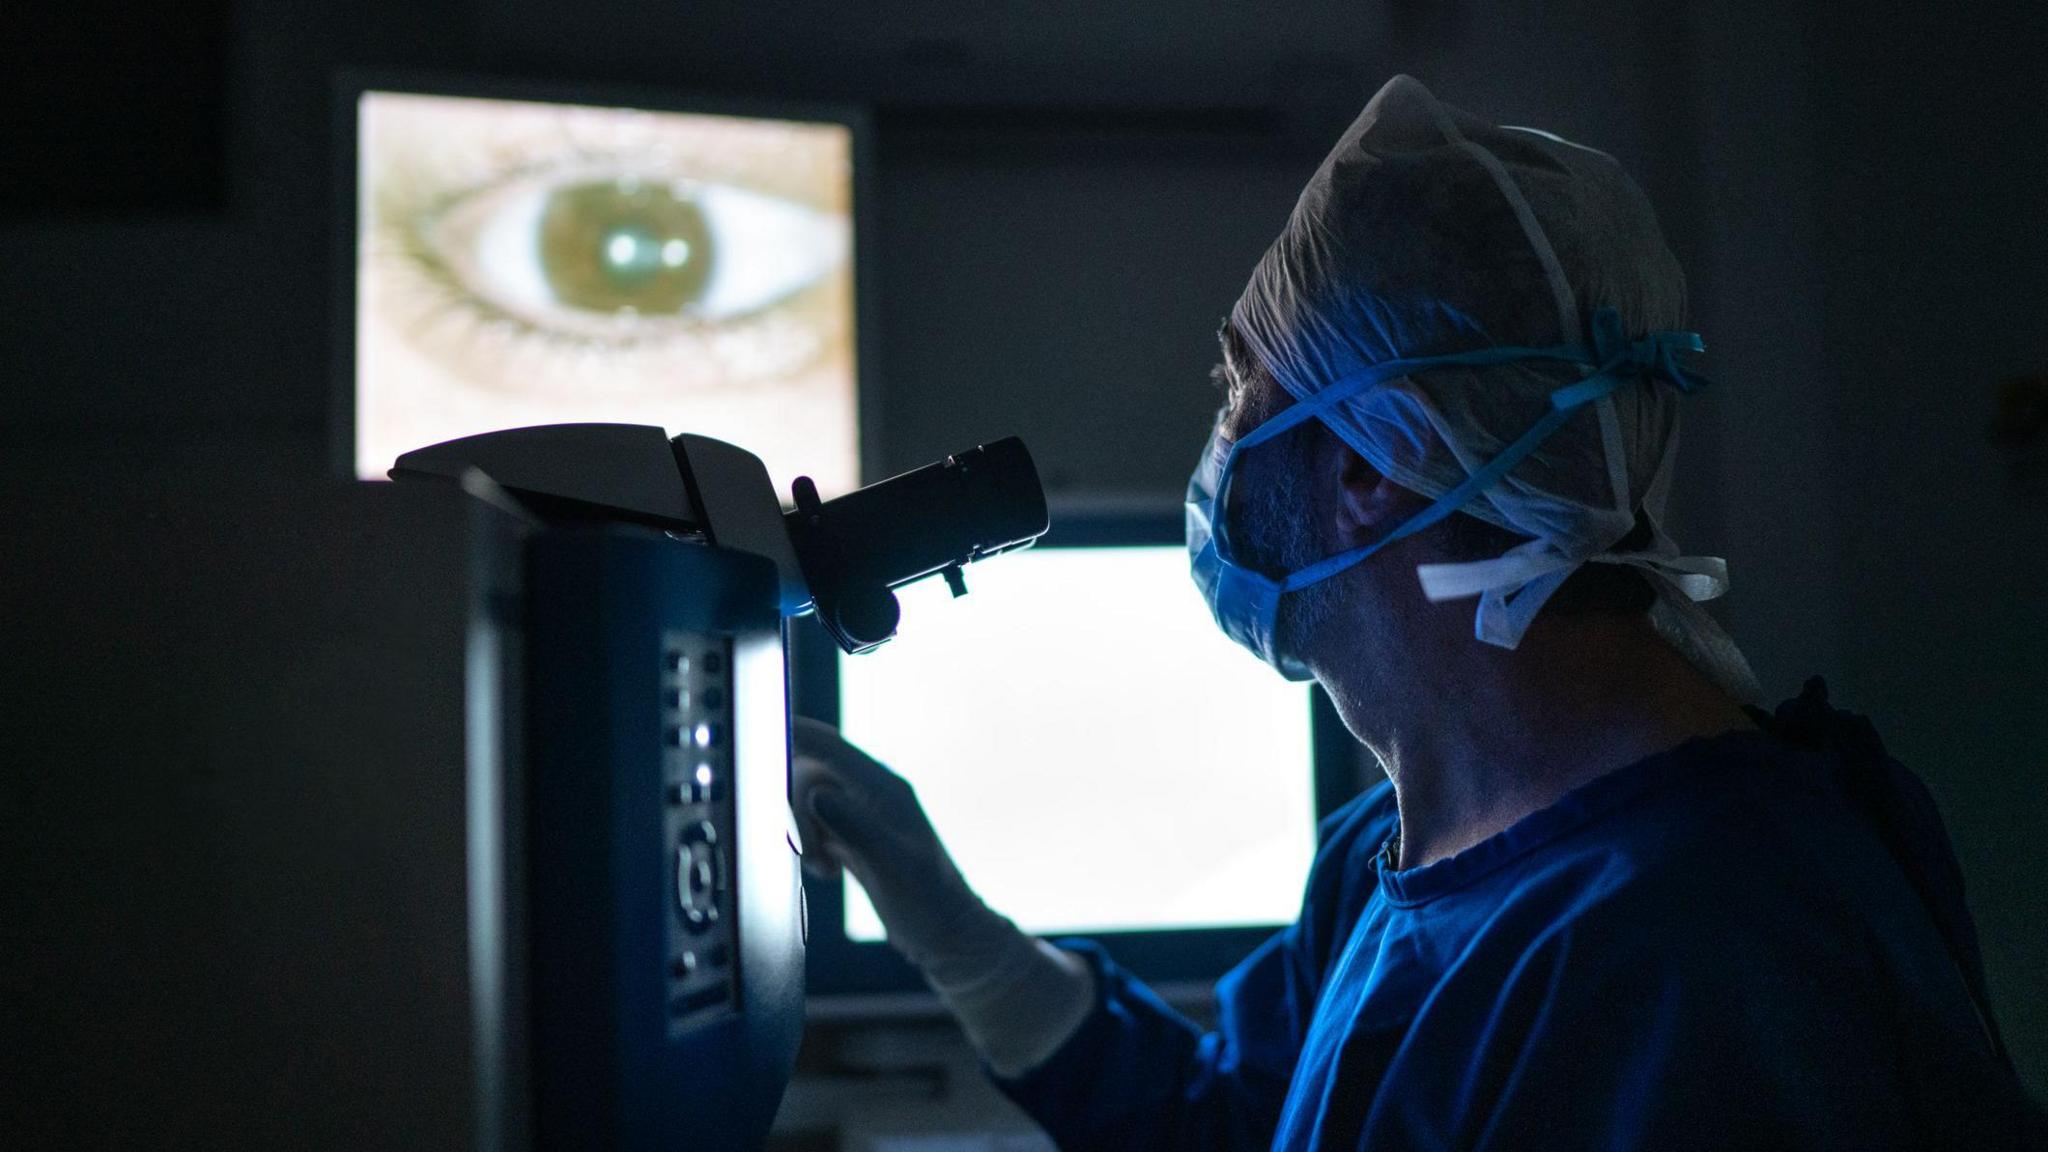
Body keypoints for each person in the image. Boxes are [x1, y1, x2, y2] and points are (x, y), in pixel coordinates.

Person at [792, 76, 2046, 1149]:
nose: (1219, 444)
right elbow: (1227, 1126)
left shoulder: (1706, 956)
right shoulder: (1397, 847)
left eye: (1239, 388)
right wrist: (952, 930)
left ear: (1364, 473)